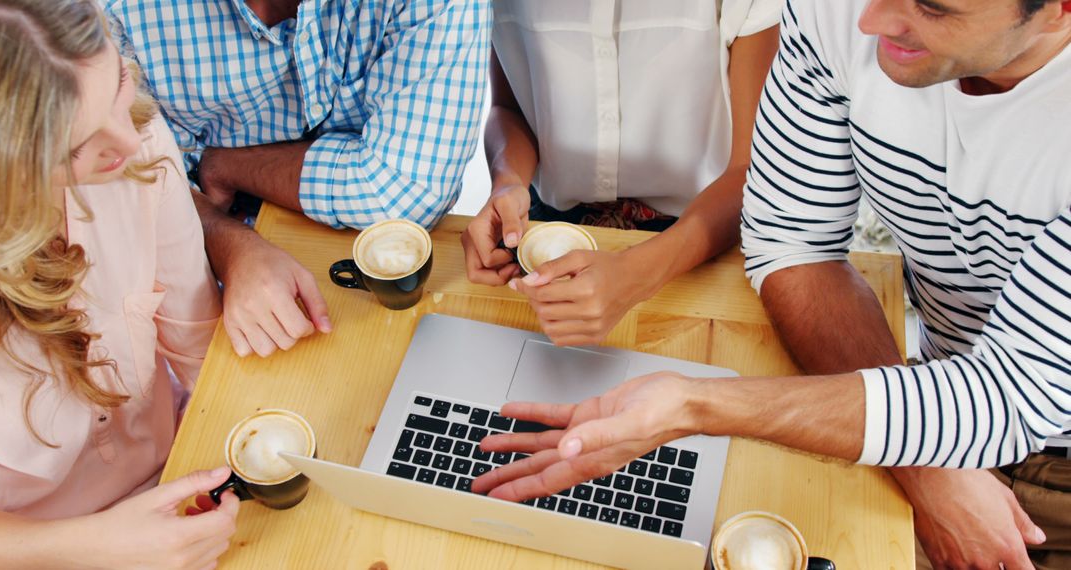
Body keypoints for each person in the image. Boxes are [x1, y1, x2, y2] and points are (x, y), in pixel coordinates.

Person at [471, 1, 1071, 569]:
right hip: (929, 407)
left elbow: (1016, 393)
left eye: (935, 7)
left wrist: (694, 403)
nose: (868, 19)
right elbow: (791, 244)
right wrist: (932, 468)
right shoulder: (840, 12)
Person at [0, 1, 239, 567]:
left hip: (177, 479)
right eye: (75, 147)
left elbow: (202, 354)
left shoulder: (138, 146)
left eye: (119, 86)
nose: (128, 142)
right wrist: (91, 549)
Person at [102, 0, 491, 357]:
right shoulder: (117, 12)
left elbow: (405, 191)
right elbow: (138, 189)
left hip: (374, 282)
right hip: (198, 293)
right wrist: (230, 244)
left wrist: (222, 167)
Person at [460, 0, 781, 346]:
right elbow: (508, 108)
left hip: (701, 236)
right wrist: (507, 183)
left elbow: (753, 169)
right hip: (547, 231)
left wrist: (635, 276)